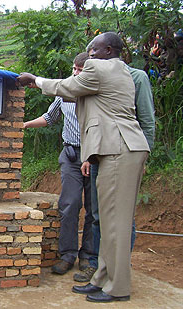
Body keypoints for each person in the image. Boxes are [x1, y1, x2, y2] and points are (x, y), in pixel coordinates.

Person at [17, 32, 150, 303]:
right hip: (113, 150)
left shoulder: (100, 68)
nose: (88, 56)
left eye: (93, 51)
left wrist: (35, 80)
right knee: (107, 221)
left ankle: (117, 287)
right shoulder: (119, 70)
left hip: (119, 148)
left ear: (108, 50)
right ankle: (101, 278)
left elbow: (68, 86)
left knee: (116, 224)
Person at [75, 60, 156, 283]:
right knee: (98, 215)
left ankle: (119, 269)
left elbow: (147, 121)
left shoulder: (137, 78)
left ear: (110, 52)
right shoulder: (95, 79)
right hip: (101, 154)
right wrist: (90, 155)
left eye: (96, 53)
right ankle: (100, 269)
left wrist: (142, 159)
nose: (92, 58)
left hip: (125, 153)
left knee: (121, 218)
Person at [23, 52, 93, 275]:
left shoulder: (95, 94)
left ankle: (89, 257)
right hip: (71, 155)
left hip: (95, 156)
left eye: (80, 70)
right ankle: (68, 254)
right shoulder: (64, 94)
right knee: (70, 204)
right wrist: (24, 125)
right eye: (74, 69)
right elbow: (50, 118)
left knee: (94, 209)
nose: (75, 73)